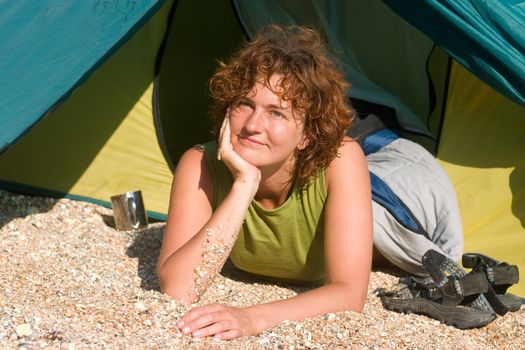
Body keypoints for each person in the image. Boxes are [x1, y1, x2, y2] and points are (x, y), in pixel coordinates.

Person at [156, 24, 373, 340]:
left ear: (307, 134)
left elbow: (350, 295)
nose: (253, 125)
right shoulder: (200, 163)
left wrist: (251, 318)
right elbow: (177, 289)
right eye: (245, 104)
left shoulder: (342, 161)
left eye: (277, 113)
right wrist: (244, 185)